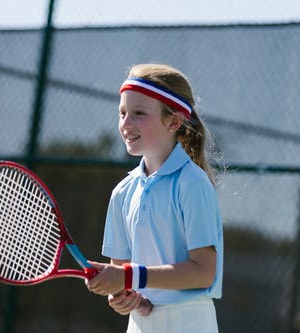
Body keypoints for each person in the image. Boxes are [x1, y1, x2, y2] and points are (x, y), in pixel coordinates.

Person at [86, 63, 224, 333]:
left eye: (139, 113)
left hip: (191, 323)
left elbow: (203, 271)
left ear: (173, 122)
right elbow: (125, 279)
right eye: (123, 113)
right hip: (138, 326)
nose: (126, 124)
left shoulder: (192, 183)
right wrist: (127, 298)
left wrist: (128, 276)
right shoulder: (122, 193)